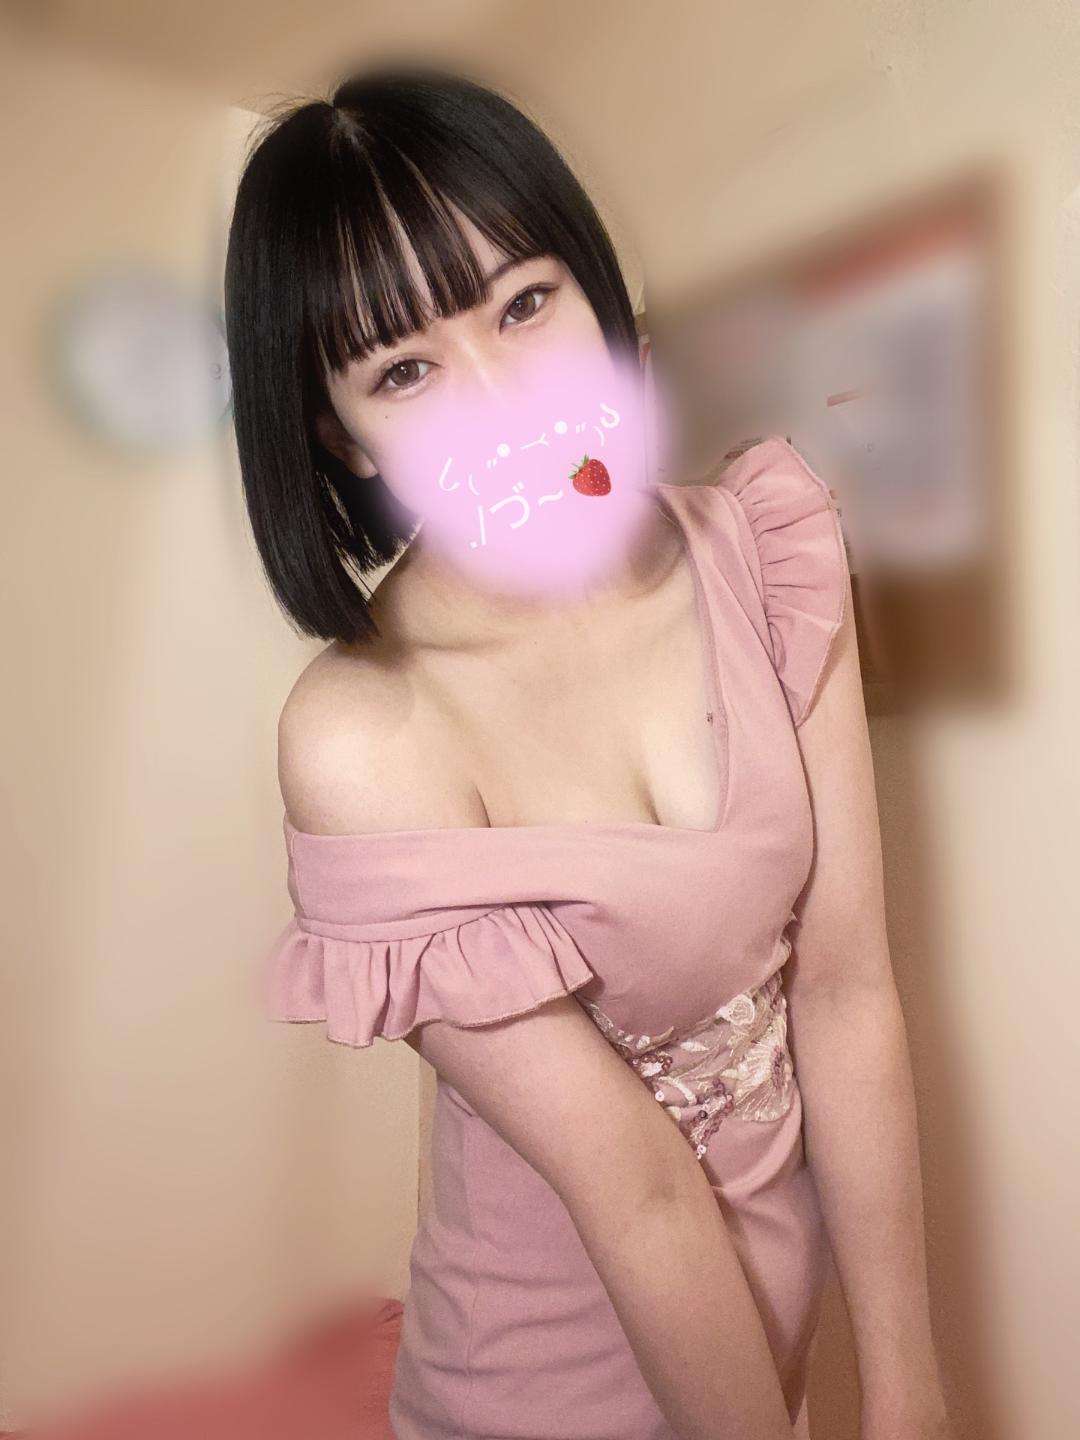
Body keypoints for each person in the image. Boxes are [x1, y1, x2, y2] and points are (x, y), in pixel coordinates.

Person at [225, 63, 952, 1440]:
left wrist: (911, 1388)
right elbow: (640, 1191)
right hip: (536, 1391)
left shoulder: (768, 547)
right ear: (340, 433)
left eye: (524, 302)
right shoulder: (364, 738)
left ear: (595, 287)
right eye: (406, 369)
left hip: (769, 1350)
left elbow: (847, 988)